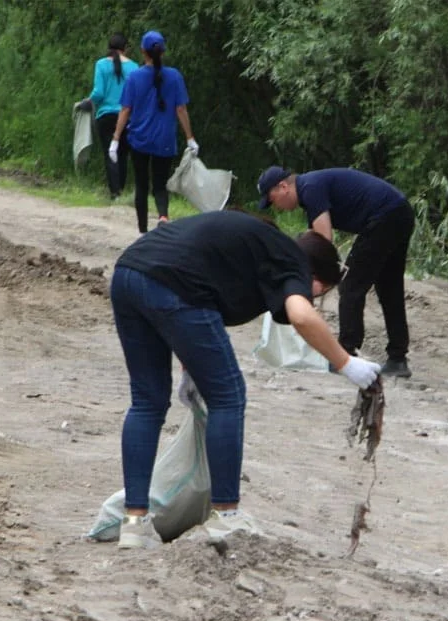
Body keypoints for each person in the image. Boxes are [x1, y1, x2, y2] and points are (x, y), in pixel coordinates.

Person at [110, 210, 381, 548]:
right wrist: (346, 363)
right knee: (228, 396)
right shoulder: (291, 260)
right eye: (320, 291)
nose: (314, 296)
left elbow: (193, 270)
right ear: (316, 277)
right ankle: (226, 517)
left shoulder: (257, 248)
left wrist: (190, 367)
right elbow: (300, 316)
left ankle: (135, 524)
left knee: (147, 402)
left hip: (128, 273)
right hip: (173, 283)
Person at [258, 166, 416, 378]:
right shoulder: (312, 186)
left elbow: (324, 240)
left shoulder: (310, 188)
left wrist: (309, 277)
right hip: (400, 212)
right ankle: (397, 359)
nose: (275, 206)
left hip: (385, 217)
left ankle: (346, 352)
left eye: (272, 199)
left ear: (283, 187)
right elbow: (315, 237)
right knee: (390, 288)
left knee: (350, 285)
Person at [110, 30, 198, 232]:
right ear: (163, 52)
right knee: (160, 185)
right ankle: (163, 217)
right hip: (164, 138)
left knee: (141, 185)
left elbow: (125, 109)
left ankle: (142, 231)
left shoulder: (134, 77)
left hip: (139, 138)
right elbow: (181, 109)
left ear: (143, 52)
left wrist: (115, 139)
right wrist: (190, 138)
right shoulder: (175, 77)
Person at [76, 33, 139, 199]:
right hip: (127, 117)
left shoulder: (101, 65)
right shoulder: (134, 67)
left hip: (106, 116)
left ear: (109, 48)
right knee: (123, 155)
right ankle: (121, 191)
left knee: (110, 154)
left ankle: (115, 193)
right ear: (126, 49)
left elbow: (99, 92)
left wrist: (87, 102)